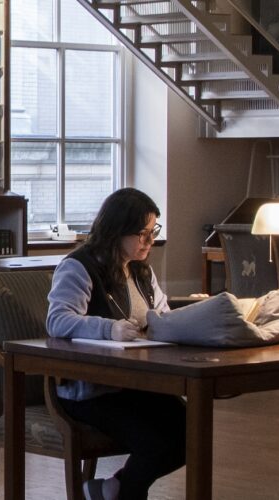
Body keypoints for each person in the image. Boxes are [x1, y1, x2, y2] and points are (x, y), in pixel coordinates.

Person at [46, 188, 185, 500]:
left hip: (133, 383)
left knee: (191, 428)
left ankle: (114, 489)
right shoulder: (79, 266)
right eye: (143, 234)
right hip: (89, 391)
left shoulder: (140, 270)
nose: (150, 241)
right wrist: (109, 329)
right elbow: (57, 321)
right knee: (155, 440)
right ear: (117, 230)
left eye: (153, 232)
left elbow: (161, 313)